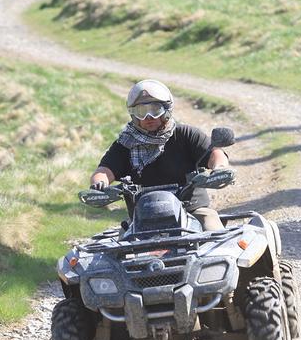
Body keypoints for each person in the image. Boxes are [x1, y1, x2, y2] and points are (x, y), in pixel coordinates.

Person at [89, 79, 230, 231]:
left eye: (155, 110)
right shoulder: (125, 144)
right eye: (141, 112)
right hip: (142, 220)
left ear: (167, 109)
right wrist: (99, 183)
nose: (148, 117)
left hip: (192, 211)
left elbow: (215, 154)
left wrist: (219, 168)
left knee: (214, 233)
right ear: (133, 114)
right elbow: (105, 170)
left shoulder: (186, 135)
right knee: (119, 243)